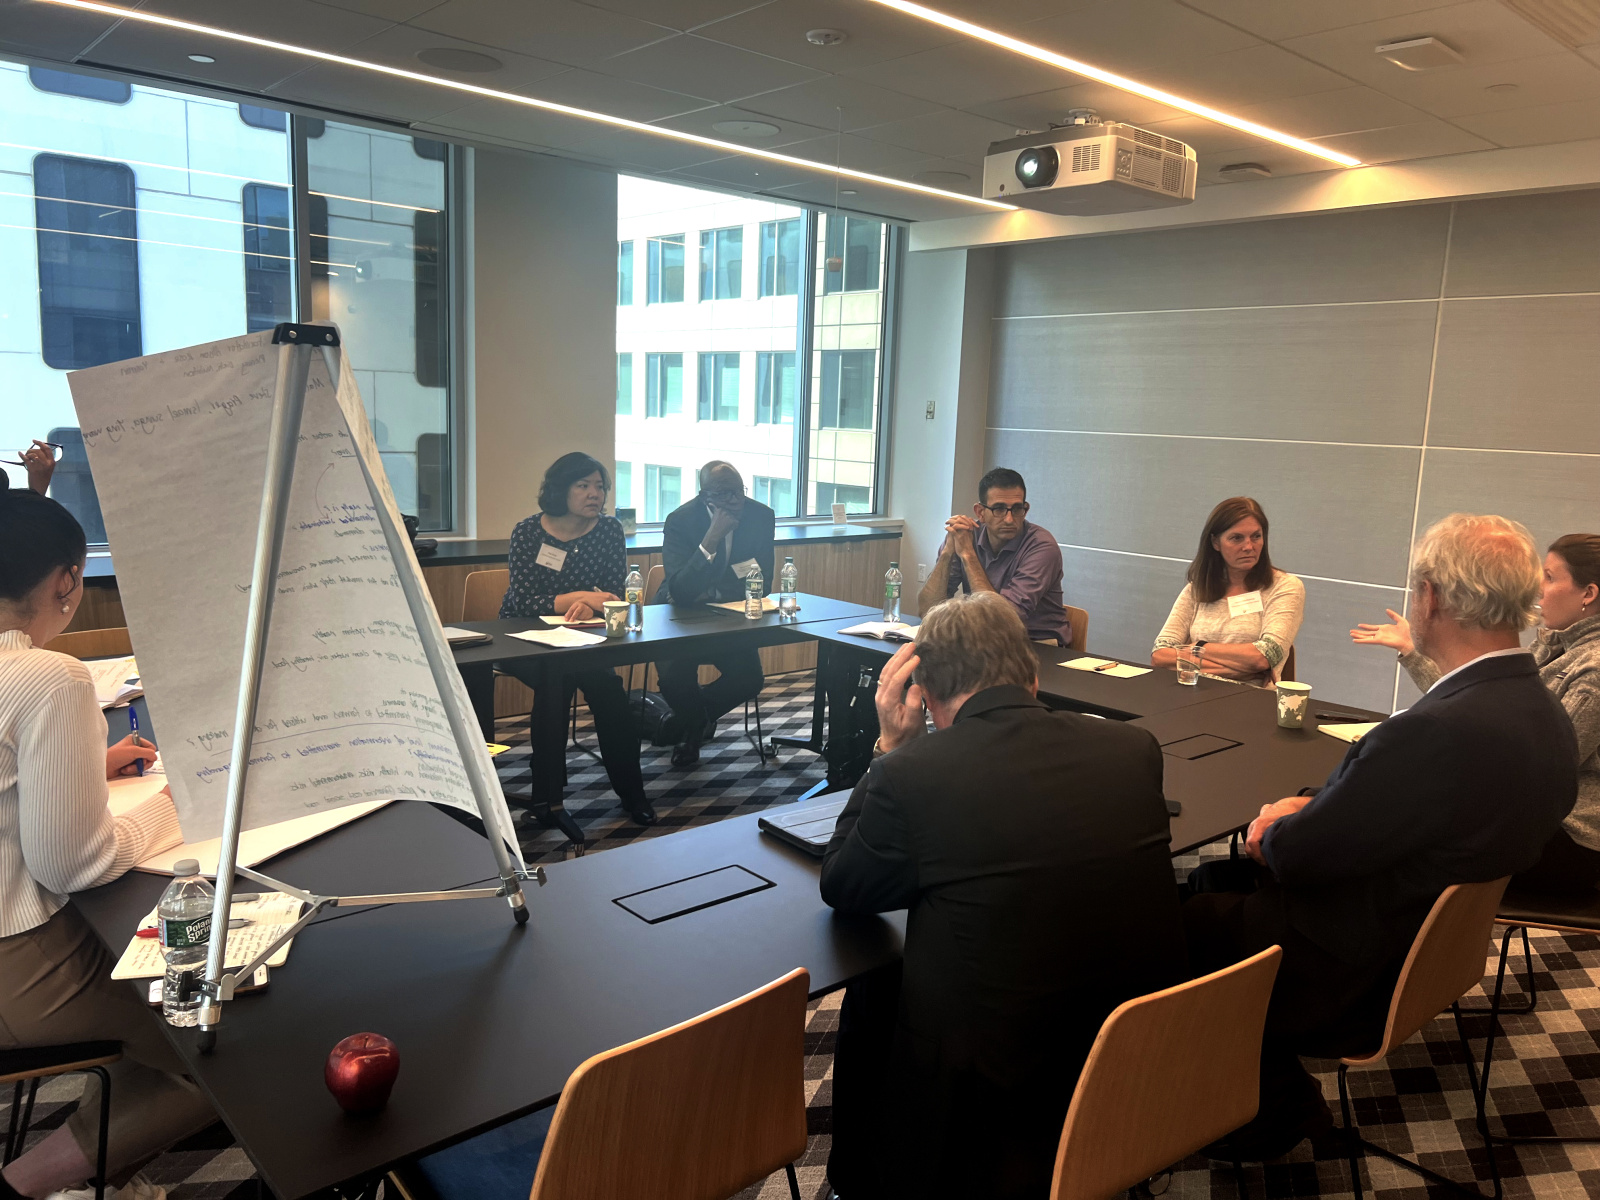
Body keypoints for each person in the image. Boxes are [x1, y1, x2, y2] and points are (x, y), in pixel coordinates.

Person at [1186, 513, 1578, 1162]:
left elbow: (1296, 855)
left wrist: (1279, 824)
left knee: (1180, 920)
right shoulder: (1543, 713)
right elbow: (1398, 817)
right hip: (1426, 947)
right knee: (1215, 884)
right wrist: (1313, 808)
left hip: (1351, 965)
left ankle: (1267, 1109)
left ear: (1431, 598)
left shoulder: (1433, 733)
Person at [820, 592, 1187, 1199]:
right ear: (1033, 676)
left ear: (925, 692)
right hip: (1134, 1051)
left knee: (875, 983)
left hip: (995, 1080)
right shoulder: (1133, 749)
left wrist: (888, 747)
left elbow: (847, 884)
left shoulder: (911, 774)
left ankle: (861, 1182)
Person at [0, 470, 215, 1200]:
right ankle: (24, 1183)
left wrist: (87, 762)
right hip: (19, 968)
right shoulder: (47, 676)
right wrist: (178, 805)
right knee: (222, 1054)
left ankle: (107, 1171)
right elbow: (75, 863)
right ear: (68, 580)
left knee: (148, 1029)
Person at [1353, 532, 1600, 895]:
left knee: (1405, 844)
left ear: (1588, 594)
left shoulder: (1593, 668)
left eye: (1549, 577)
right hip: (1529, 819)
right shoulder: (1553, 645)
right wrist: (1412, 651)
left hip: (1568, 838)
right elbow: (1474, 700)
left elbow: (1544, 764)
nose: (1538, 590)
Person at [500, 453, 654, 826]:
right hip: (524, 638)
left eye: (599, 486)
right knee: (557, 684)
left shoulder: (608, 530)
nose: (594, 494)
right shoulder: (528, 532)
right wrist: (579, 599)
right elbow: (523, 601)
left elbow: (614, 595)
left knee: (610, 695)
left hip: (583, 637)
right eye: (583, 485)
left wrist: (592, 604)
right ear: (560, 489)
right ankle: (548, 800)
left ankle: (632, 794)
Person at [654, 462, 775, 769]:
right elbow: (680, 591)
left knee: (749, 679)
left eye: (739, 491)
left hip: (727, 614)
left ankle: (691, 722)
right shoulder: (681, 520)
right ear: (705, 495)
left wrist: (714, 592)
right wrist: (711, 539)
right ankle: (693, 730)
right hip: (678, 616)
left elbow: (763, 580)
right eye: (725, 493)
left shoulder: (760, 516)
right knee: (673, 677)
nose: (736, 500)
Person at [1153, 496, 1304, 684]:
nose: (1249, 546)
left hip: (1250, 700)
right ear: (1216, 543)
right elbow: (1160, 654)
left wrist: (1199, 647)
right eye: (1236, 538)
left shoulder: (1284, 587)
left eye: (1256, 536)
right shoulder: (1198, 589)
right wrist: (1234, 669)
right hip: (1191, 695)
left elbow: (1264, 657)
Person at [915, 467, 1073, 646]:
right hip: (985, 641)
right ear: (980, 512)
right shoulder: (966, 535)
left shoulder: (1042, 547)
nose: (1009, 519)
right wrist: (947, 553)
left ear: (1025, 509)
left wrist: (968, 555)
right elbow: (927, 610)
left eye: (1017, 509)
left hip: (1037, 644)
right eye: (999, 509)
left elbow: (1001, 622)